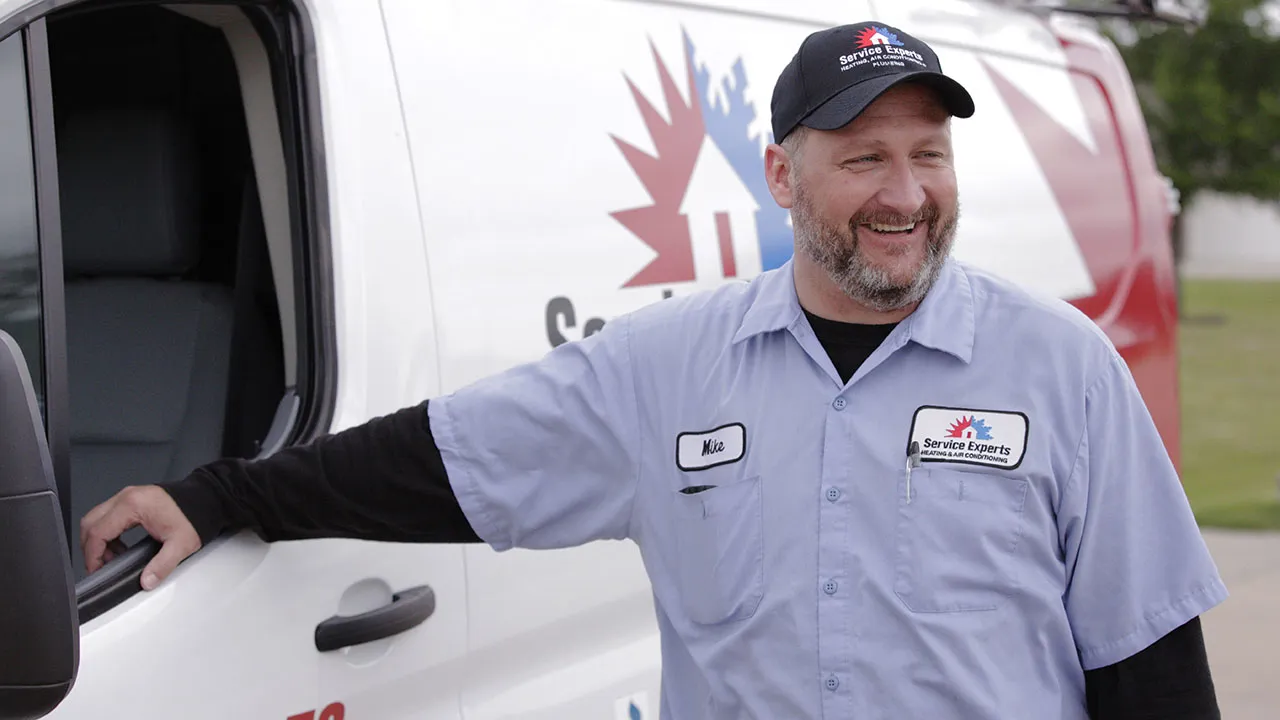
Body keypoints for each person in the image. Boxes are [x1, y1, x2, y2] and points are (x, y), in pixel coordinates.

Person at [80, 20, 1227, 720]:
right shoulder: (663, 369)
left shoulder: (1061, 370)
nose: (905, 192)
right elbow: (437, 459)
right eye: (864, 157)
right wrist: (218, 495)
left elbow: (1150, 664)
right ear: (780, 176)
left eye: (927, 153)